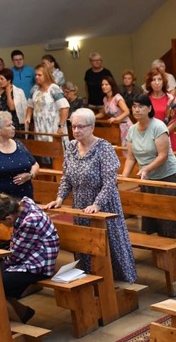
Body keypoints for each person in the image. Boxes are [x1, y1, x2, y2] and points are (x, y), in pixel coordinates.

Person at [44, 108, 137, 283]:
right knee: (85, 243)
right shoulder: (71, 147)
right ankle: (90, 278)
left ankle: (120, 281)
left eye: (80, 127)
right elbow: (67, 178)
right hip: (80, 203)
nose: (76, 131)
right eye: (73, 127)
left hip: (105, 205)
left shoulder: (104, 148)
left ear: (92, 127)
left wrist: (97, 204)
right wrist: (59, 199)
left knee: (111, 244)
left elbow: (110, 182)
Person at [0, 194, 59, 324]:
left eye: (1, 223)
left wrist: (2, 262)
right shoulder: (25, 204)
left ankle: (18, 327)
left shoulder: (29, 222)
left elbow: (15, 256)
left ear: (8, 218)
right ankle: (23, 313)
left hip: (40, 265)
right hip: (30, 256)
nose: (3, 225)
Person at [121, 94, 176, 238]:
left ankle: (173, 249)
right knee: (151, 216)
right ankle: (157, 251)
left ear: (149, 108)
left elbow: (163, 155)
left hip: (166, 176)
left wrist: (146, 168)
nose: (137, 110)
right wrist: (124, 176)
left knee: (167, 218)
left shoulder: (158, 126)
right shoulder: (132, 130)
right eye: (134, 107)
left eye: (141, 106)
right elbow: (130, 157)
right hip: (147, 178)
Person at [25, 64, 69, 145]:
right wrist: (28, 116)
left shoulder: (54, 89)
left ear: (46, 75)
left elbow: (65, 108)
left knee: (55, 151)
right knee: (43, 149)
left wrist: (61, 126)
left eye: (39, 75)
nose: (37, 77)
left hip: (53, 126)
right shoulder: (34, 89)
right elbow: (30, 105)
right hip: (39, 126)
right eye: (35, 75)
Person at [145, 67, 176, 152]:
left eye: (159, 79)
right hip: (150, 138)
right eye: (153, 80)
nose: (157, 83)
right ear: (149, 83)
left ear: (163, 81)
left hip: (168, 136)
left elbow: (174, 122)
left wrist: (162, 134)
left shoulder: (171, 99)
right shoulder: (145, 100)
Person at [94, 76, 132, 148]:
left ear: (111, 85)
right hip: (116, 126)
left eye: (106, 84)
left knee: (126, 149)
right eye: (102, 85)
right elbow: (103, 113)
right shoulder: (105, 99)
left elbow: (127, 111)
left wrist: (116, 119)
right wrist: (93, 117)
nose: (104, 87)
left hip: (125, 126)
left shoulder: (117, 97)